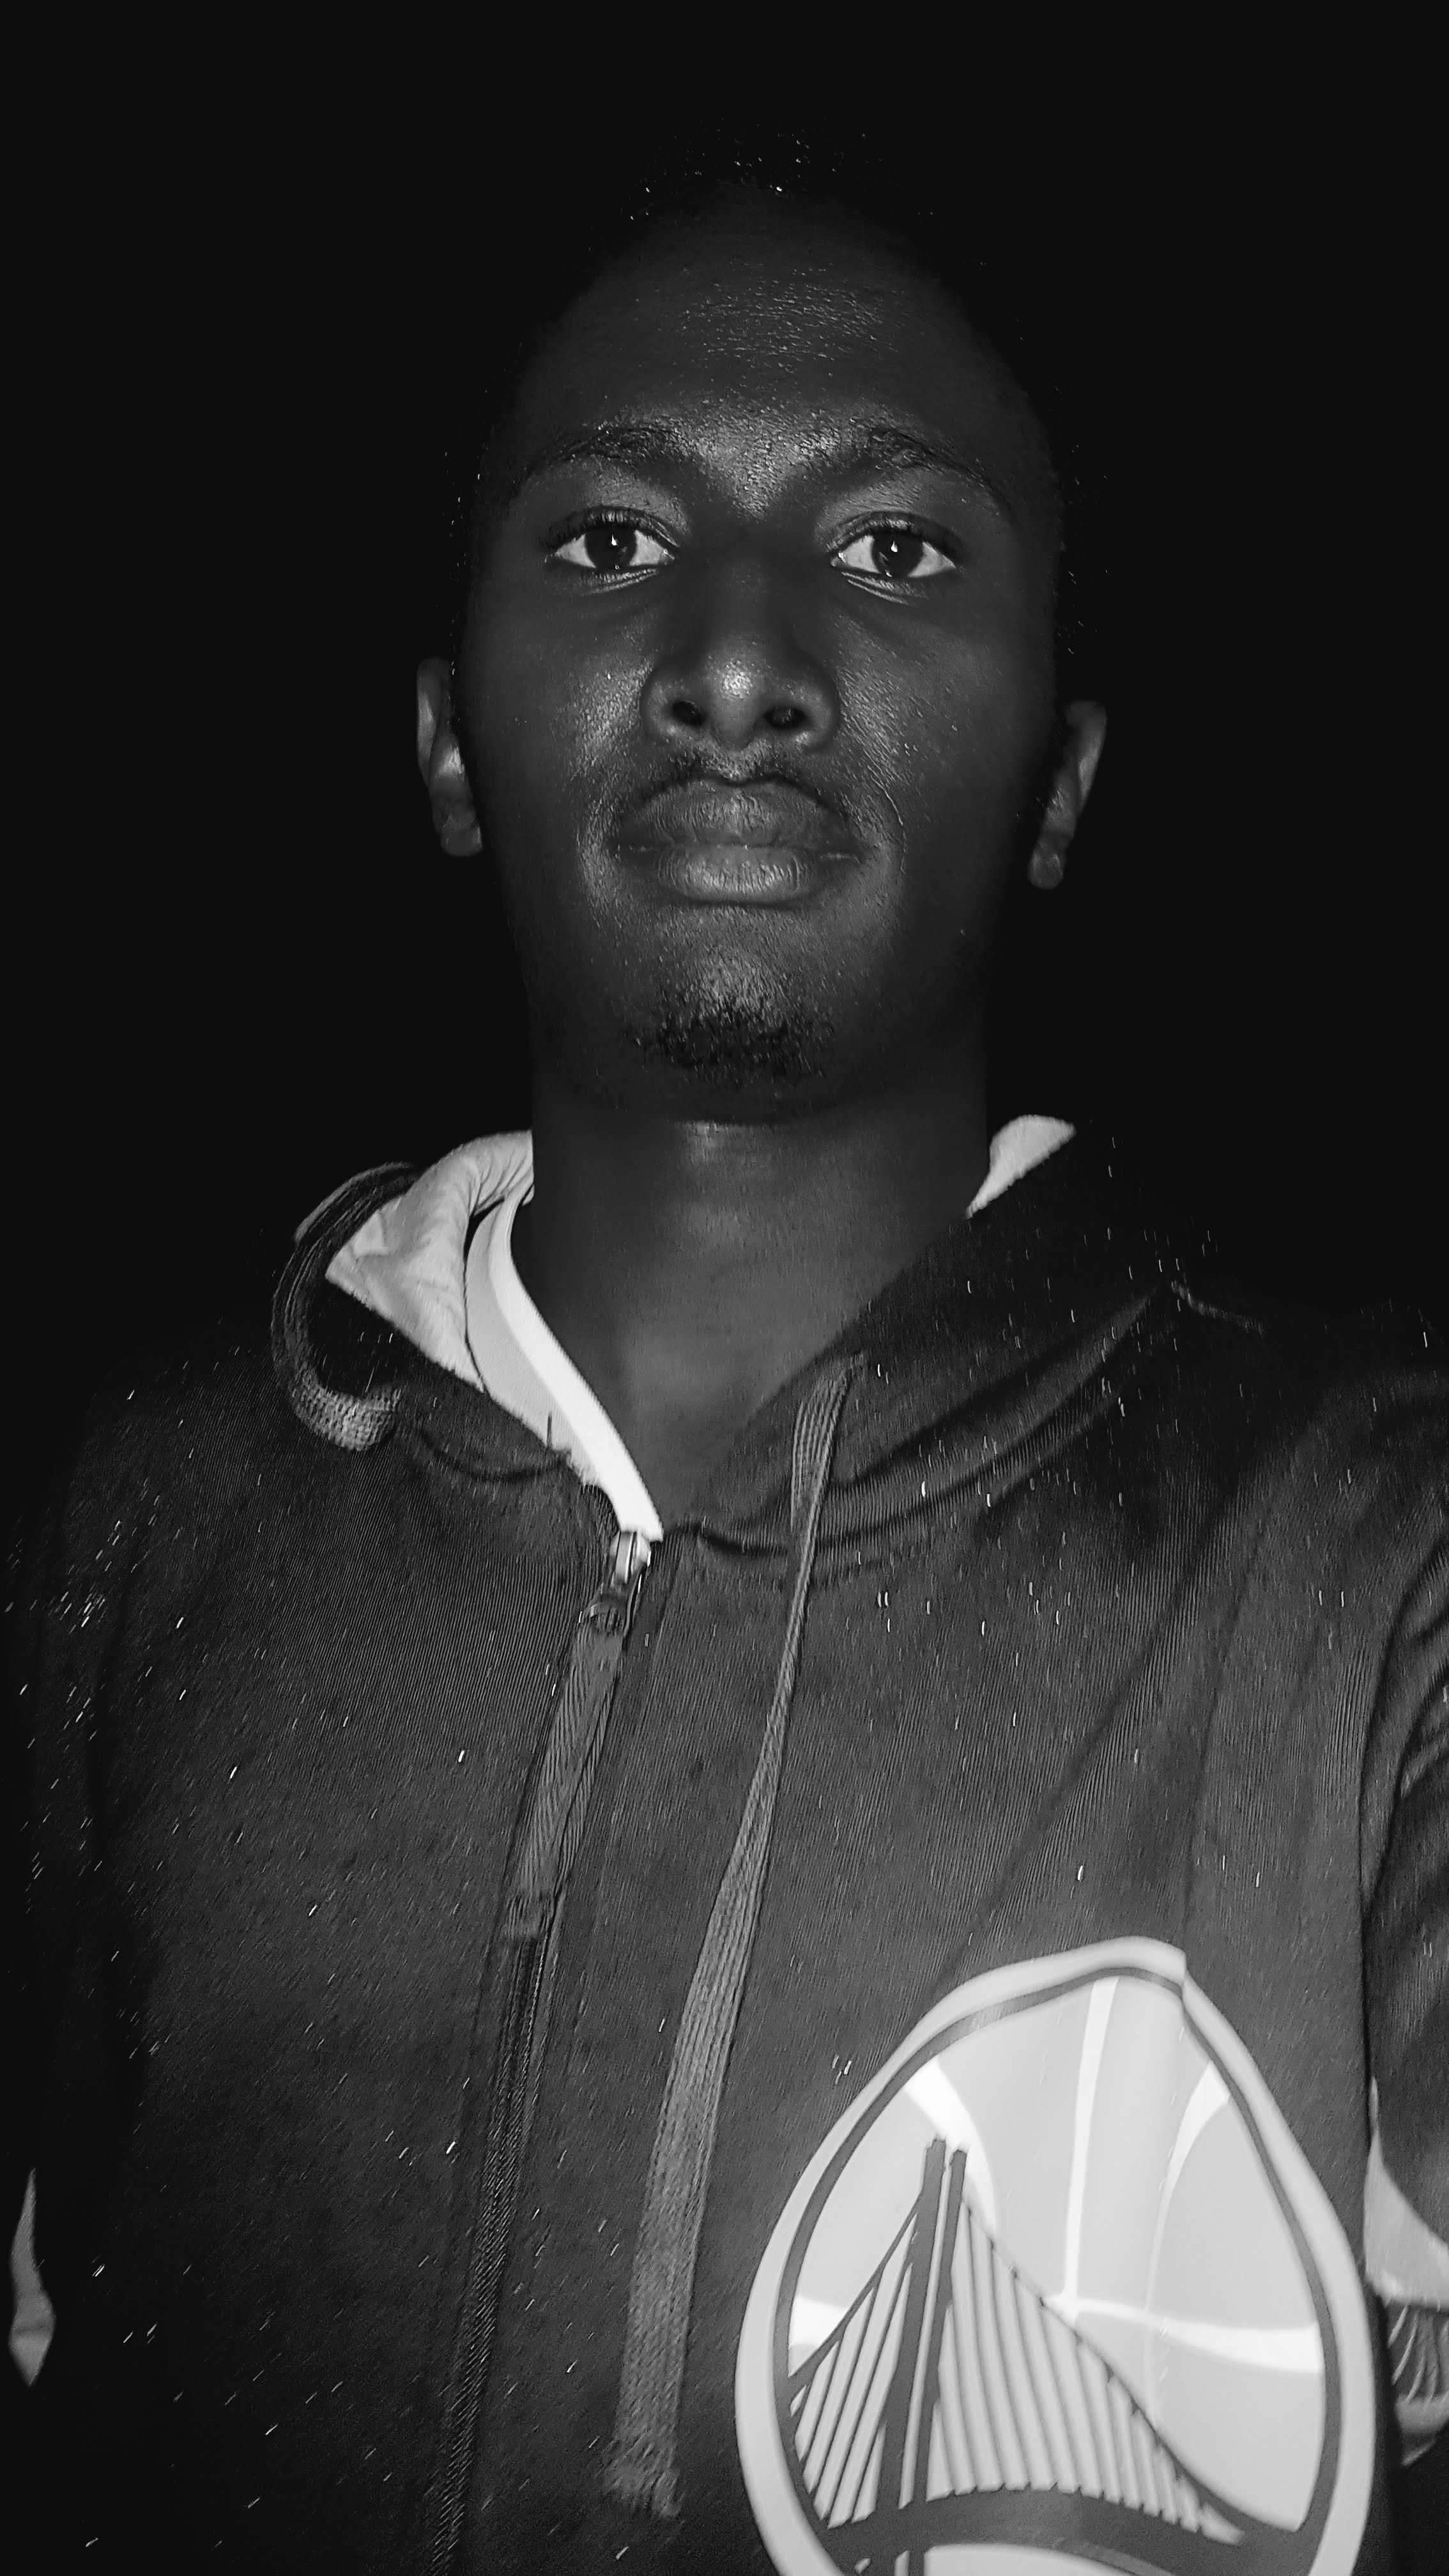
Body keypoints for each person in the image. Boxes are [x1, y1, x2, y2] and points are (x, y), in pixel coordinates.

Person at [7, 176, 1445, 2574]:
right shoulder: (140, 1512)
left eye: (891, 550)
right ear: (448, 746)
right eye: (608, 541)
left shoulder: (1365, 1546)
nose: (742, 660)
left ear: (1062, 781)